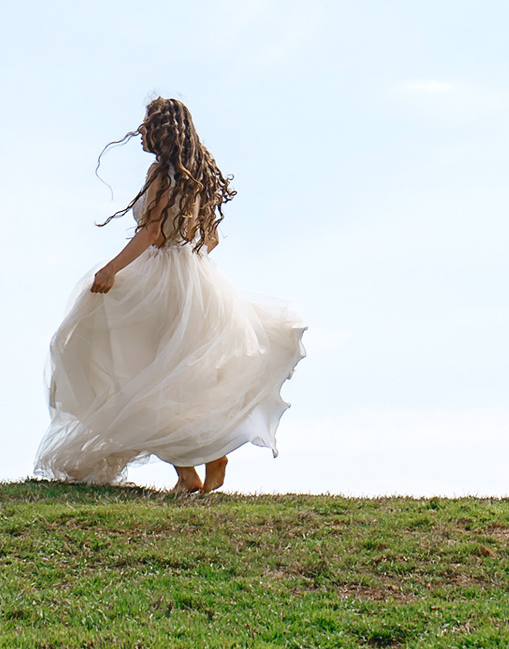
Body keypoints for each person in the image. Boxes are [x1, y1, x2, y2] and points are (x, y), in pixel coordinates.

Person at [31, 96, 306, 495]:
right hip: (192, 277)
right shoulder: (197, 176)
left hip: (162, 277)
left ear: (162, 131)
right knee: (174, 374)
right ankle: (200, 464)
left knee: (143, 371)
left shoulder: (161, 173)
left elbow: (152, 233)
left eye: (147, 125)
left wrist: (111, 269)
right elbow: (207, 240)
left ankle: (192, 469)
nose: (141, 131)